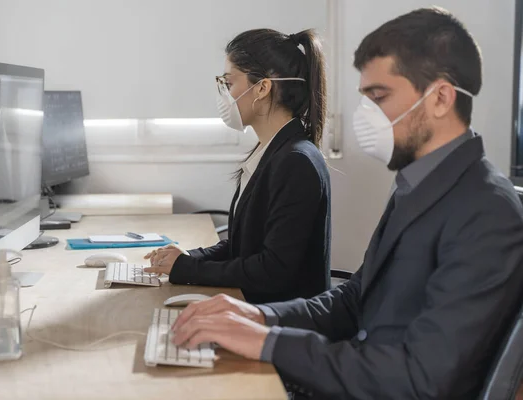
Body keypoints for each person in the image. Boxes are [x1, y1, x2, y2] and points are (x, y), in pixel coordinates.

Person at [167, 8, 523, 399]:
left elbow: (422, 380)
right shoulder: (415, 184)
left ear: (440, 98)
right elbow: (355, 298)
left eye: (380, 96)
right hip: (352, 372)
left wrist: (269, 343)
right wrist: (260, 317)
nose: (365, 116)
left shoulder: (490, 213)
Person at [144, 29, 331, 304]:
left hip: (280, 320)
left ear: (263, 88)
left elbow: (272, 270)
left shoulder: (296, 162)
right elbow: (243, 246)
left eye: (228, 83)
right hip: (258, 307)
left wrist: (187, 269)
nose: (225, 94)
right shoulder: (272, 150)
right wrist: (186, 258)